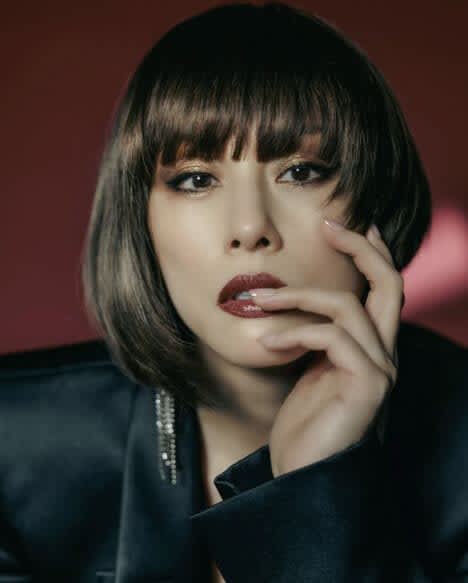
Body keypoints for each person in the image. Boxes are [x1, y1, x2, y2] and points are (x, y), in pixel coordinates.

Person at [1, 2, 467, 582]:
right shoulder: (13, 453)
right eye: (196, 179)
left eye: (301, 172)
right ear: (141, 221)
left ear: (377, 199)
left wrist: (312, 494)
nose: (250, 227)